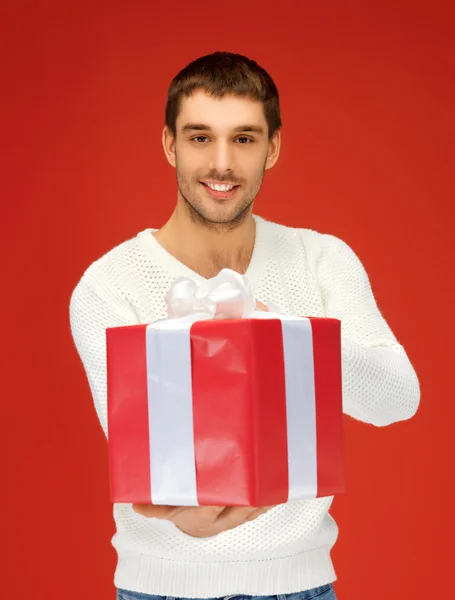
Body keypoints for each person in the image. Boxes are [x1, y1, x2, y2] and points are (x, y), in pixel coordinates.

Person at [69, 51, 420, 600]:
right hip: (159, 589)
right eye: (201, 137)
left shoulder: (321, 258)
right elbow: (149, 460)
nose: (222, 164)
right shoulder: (108, 285)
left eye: (245, 138)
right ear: (170, 145)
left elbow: (398, 398)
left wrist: (274, 332)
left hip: (300, 584)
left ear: (272, 148)